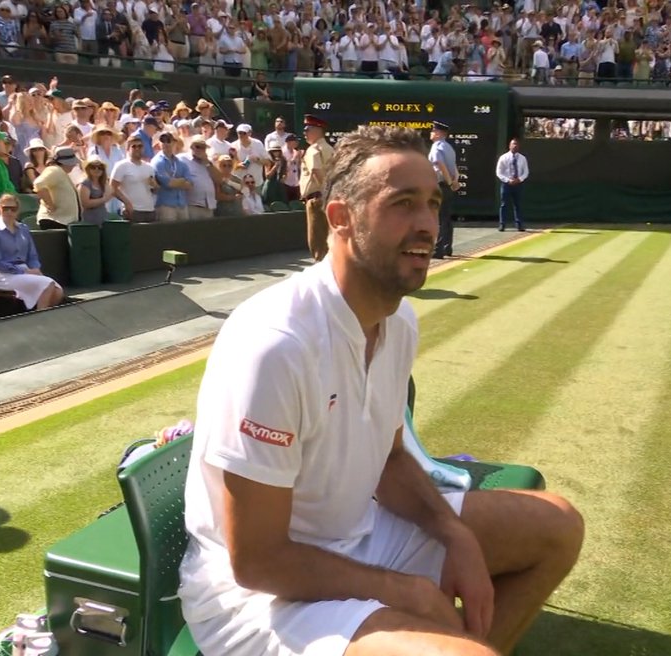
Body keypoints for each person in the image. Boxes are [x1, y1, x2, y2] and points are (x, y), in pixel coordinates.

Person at [178, 125, 584, 656]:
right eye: (403, 204)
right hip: (259, 597)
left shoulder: (400, 321)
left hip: (360, 535)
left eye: (433, 204)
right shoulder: (275, 344)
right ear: (340, 218)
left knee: (558, 525)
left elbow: (389, 459)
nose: (426, 226)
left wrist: (454, 534)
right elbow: (257, 561)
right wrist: (404, 591)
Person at [0, 193, 65, 310]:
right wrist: (24, 271)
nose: (9, 212)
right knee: (47, 284)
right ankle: (41, 318)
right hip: (4, 275)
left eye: (13, 209)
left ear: (17, 211)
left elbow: (32, 254)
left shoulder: (23, 228)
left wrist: (35, 269)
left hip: (26, 271)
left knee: (58, 291)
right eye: (5, 208)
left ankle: (40, 314)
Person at [299, 113, 334, 261]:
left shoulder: (313, 149)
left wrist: (326, 195)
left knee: (318, 245)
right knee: (329, 243)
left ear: (317, 130)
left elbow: (315, 171)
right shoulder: (330, 149)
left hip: (317, 199)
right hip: (329, 198)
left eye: (307, 129)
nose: (304, 133)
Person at [428, 121, 460, 259]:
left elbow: (439, 164)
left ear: (439, 133)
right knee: (446, 217)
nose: (431, 133)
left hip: (440, 184)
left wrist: (448, 181)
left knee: (439, 218)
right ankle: (447, 247)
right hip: (447, 185)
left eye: (433, 130)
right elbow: (455, 168)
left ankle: (438, 250)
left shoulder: (436, 147)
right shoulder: (449, 148)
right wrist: (454, 182)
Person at [110, 134, 158, 223]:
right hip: (132, 211)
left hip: (149, 210)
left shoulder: (149, 167)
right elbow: (113, 188)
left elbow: (155, 190)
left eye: (140, 146)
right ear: (128, 149)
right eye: (134, 146)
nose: (137, 149)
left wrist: (154, 186)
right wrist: (126, 203)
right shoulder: (122, 166)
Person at [34, 146, 81, 227]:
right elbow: (39, 184)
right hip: (54, 221)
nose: (74, 165)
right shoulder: (55, 170)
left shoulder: (61, 172)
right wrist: (50, 205)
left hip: (62, 221)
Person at [494, 138, 528, 232]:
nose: (515, 146)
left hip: (518, 185)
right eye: (513, 144)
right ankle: (502, 224)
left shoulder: (522, 158)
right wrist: (508, 180)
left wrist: (519, 179)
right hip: (506, 185)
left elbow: (526, 172)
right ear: (509, 146)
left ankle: (519, 225)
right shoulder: (503, 157)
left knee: (518, 205)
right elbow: (499, 172)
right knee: (504, 204)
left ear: (519, 146)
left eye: (516, 144)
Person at [77, 158, 115, 225]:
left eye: (100, 167)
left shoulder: (104, 183)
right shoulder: (85, 184)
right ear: (88, 169)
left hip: (103, 218)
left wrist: (101, 199)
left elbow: (110, 194)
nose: (97, 169)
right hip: (89, 221)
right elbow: (86, 204)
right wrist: (103, 199)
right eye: (93, 167)